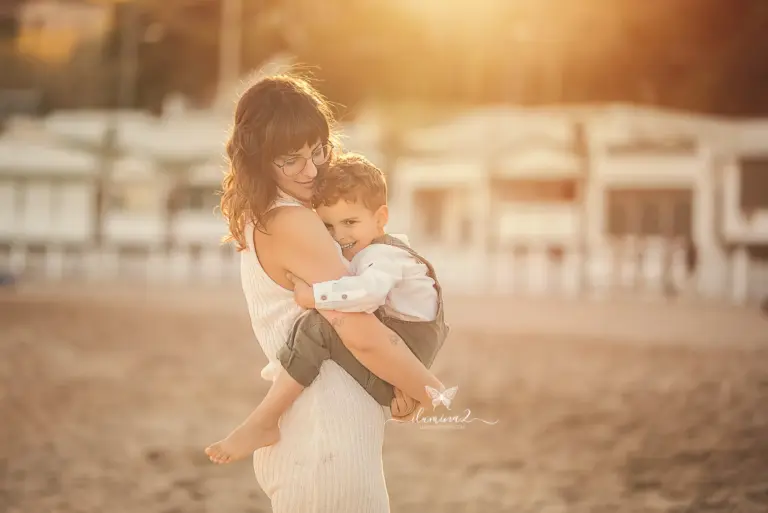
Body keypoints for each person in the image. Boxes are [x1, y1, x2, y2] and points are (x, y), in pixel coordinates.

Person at [209, 73, 445, 512]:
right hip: (326, 425)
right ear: (258, 159)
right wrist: (425, 389)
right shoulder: (292, 222)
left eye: (317, 150)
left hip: (315, 423)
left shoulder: (271, 215)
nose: (312, 168)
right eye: (290, 159)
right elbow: (357, 329)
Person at [206, 153, 449, 464]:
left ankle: (264, 420)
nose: (340, 235)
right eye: (328, 226)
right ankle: (414, 391)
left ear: (381, 218)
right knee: (329, 323)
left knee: (318, 326)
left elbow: (368, 295)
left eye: (350, 222)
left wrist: (314, 296)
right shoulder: (372, 249)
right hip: (402, 339)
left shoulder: (383, 257)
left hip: (411, 341)